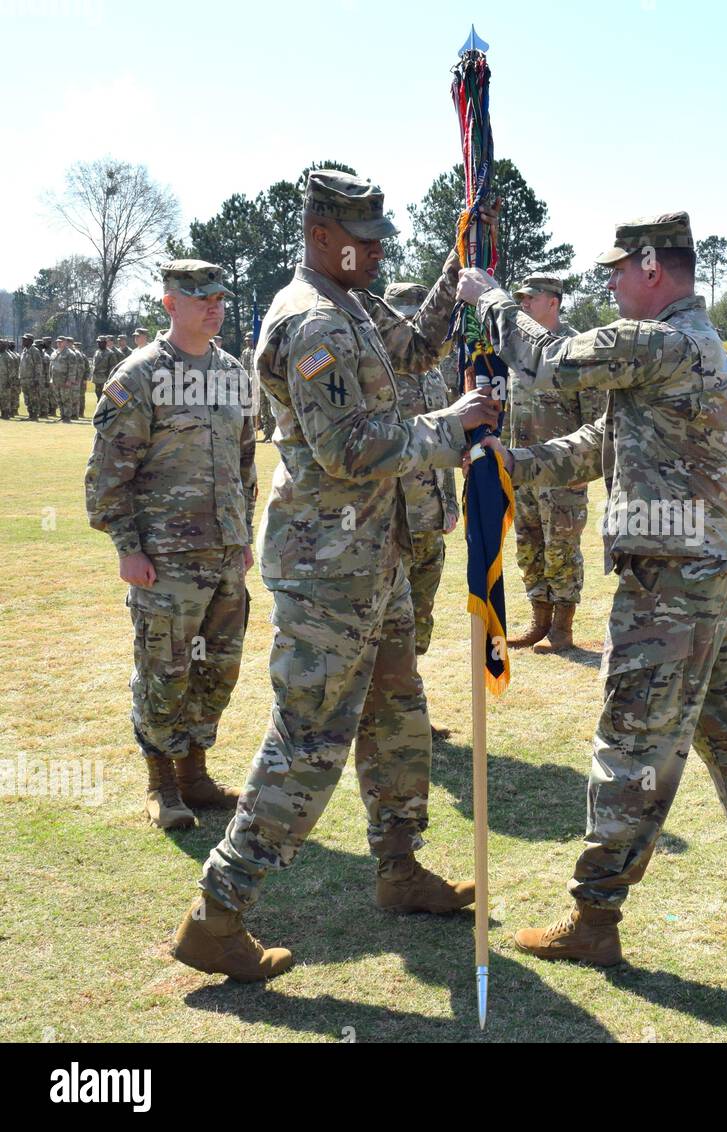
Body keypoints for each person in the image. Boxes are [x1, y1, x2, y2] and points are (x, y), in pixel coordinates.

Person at [172, 171, 499, 983]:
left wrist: (457, 275)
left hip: (372, 560)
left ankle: (399, 867)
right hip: (327, 571)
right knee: (309, 742)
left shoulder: (352, 299)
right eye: (368, 235)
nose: (382, 247)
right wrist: (450, 429)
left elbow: (417, 348)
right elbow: (348, 447)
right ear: (322, 235)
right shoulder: (311, 318)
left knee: (398, 711)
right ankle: (218, 914)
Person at [457, 211, 727, 964]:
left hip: (673, 583)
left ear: (653, 267)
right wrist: (514, 460)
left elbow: (549, 361)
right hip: (723, 571)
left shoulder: (658, 340)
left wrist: (488, 299)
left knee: (631, 748)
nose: (609, 282)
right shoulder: (692, 347)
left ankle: (594, 921)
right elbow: (603, 443)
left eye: (618, 269)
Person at [85, 260, 255, 832]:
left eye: (219, 297)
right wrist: (126, 547)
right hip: (164, 560)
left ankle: (195, 772)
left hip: (225, 556)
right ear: (169, 304)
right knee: (164, 669)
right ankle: (161, 782)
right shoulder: (139, 375)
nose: (214, 306)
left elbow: (245, 462)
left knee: (218, 668)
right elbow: (108, 473)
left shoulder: (233, 374)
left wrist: (244, 535)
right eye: (199, 296)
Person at [501, 273, 602, 652]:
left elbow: (596, 417)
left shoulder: (575, 349)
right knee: (529, 544)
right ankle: (538, 621)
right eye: (521, 299)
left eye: (531, 298)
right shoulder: (519, 352)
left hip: (562, 471)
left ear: (553, 302)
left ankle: (562, 629)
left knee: (561, 547)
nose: (523, 304)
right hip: (522, 469)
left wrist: (583, 470)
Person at [382, 280, 460, 673]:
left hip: (430, 517)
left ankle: (410, 707)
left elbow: (441, 441)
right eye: (405, 319)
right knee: (389, 622)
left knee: (420, 618)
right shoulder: (378, 372)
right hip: (396, 519)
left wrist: (450, 504)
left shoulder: (432, 374)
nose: (413, 328)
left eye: (419, 317)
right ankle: (387, 716)